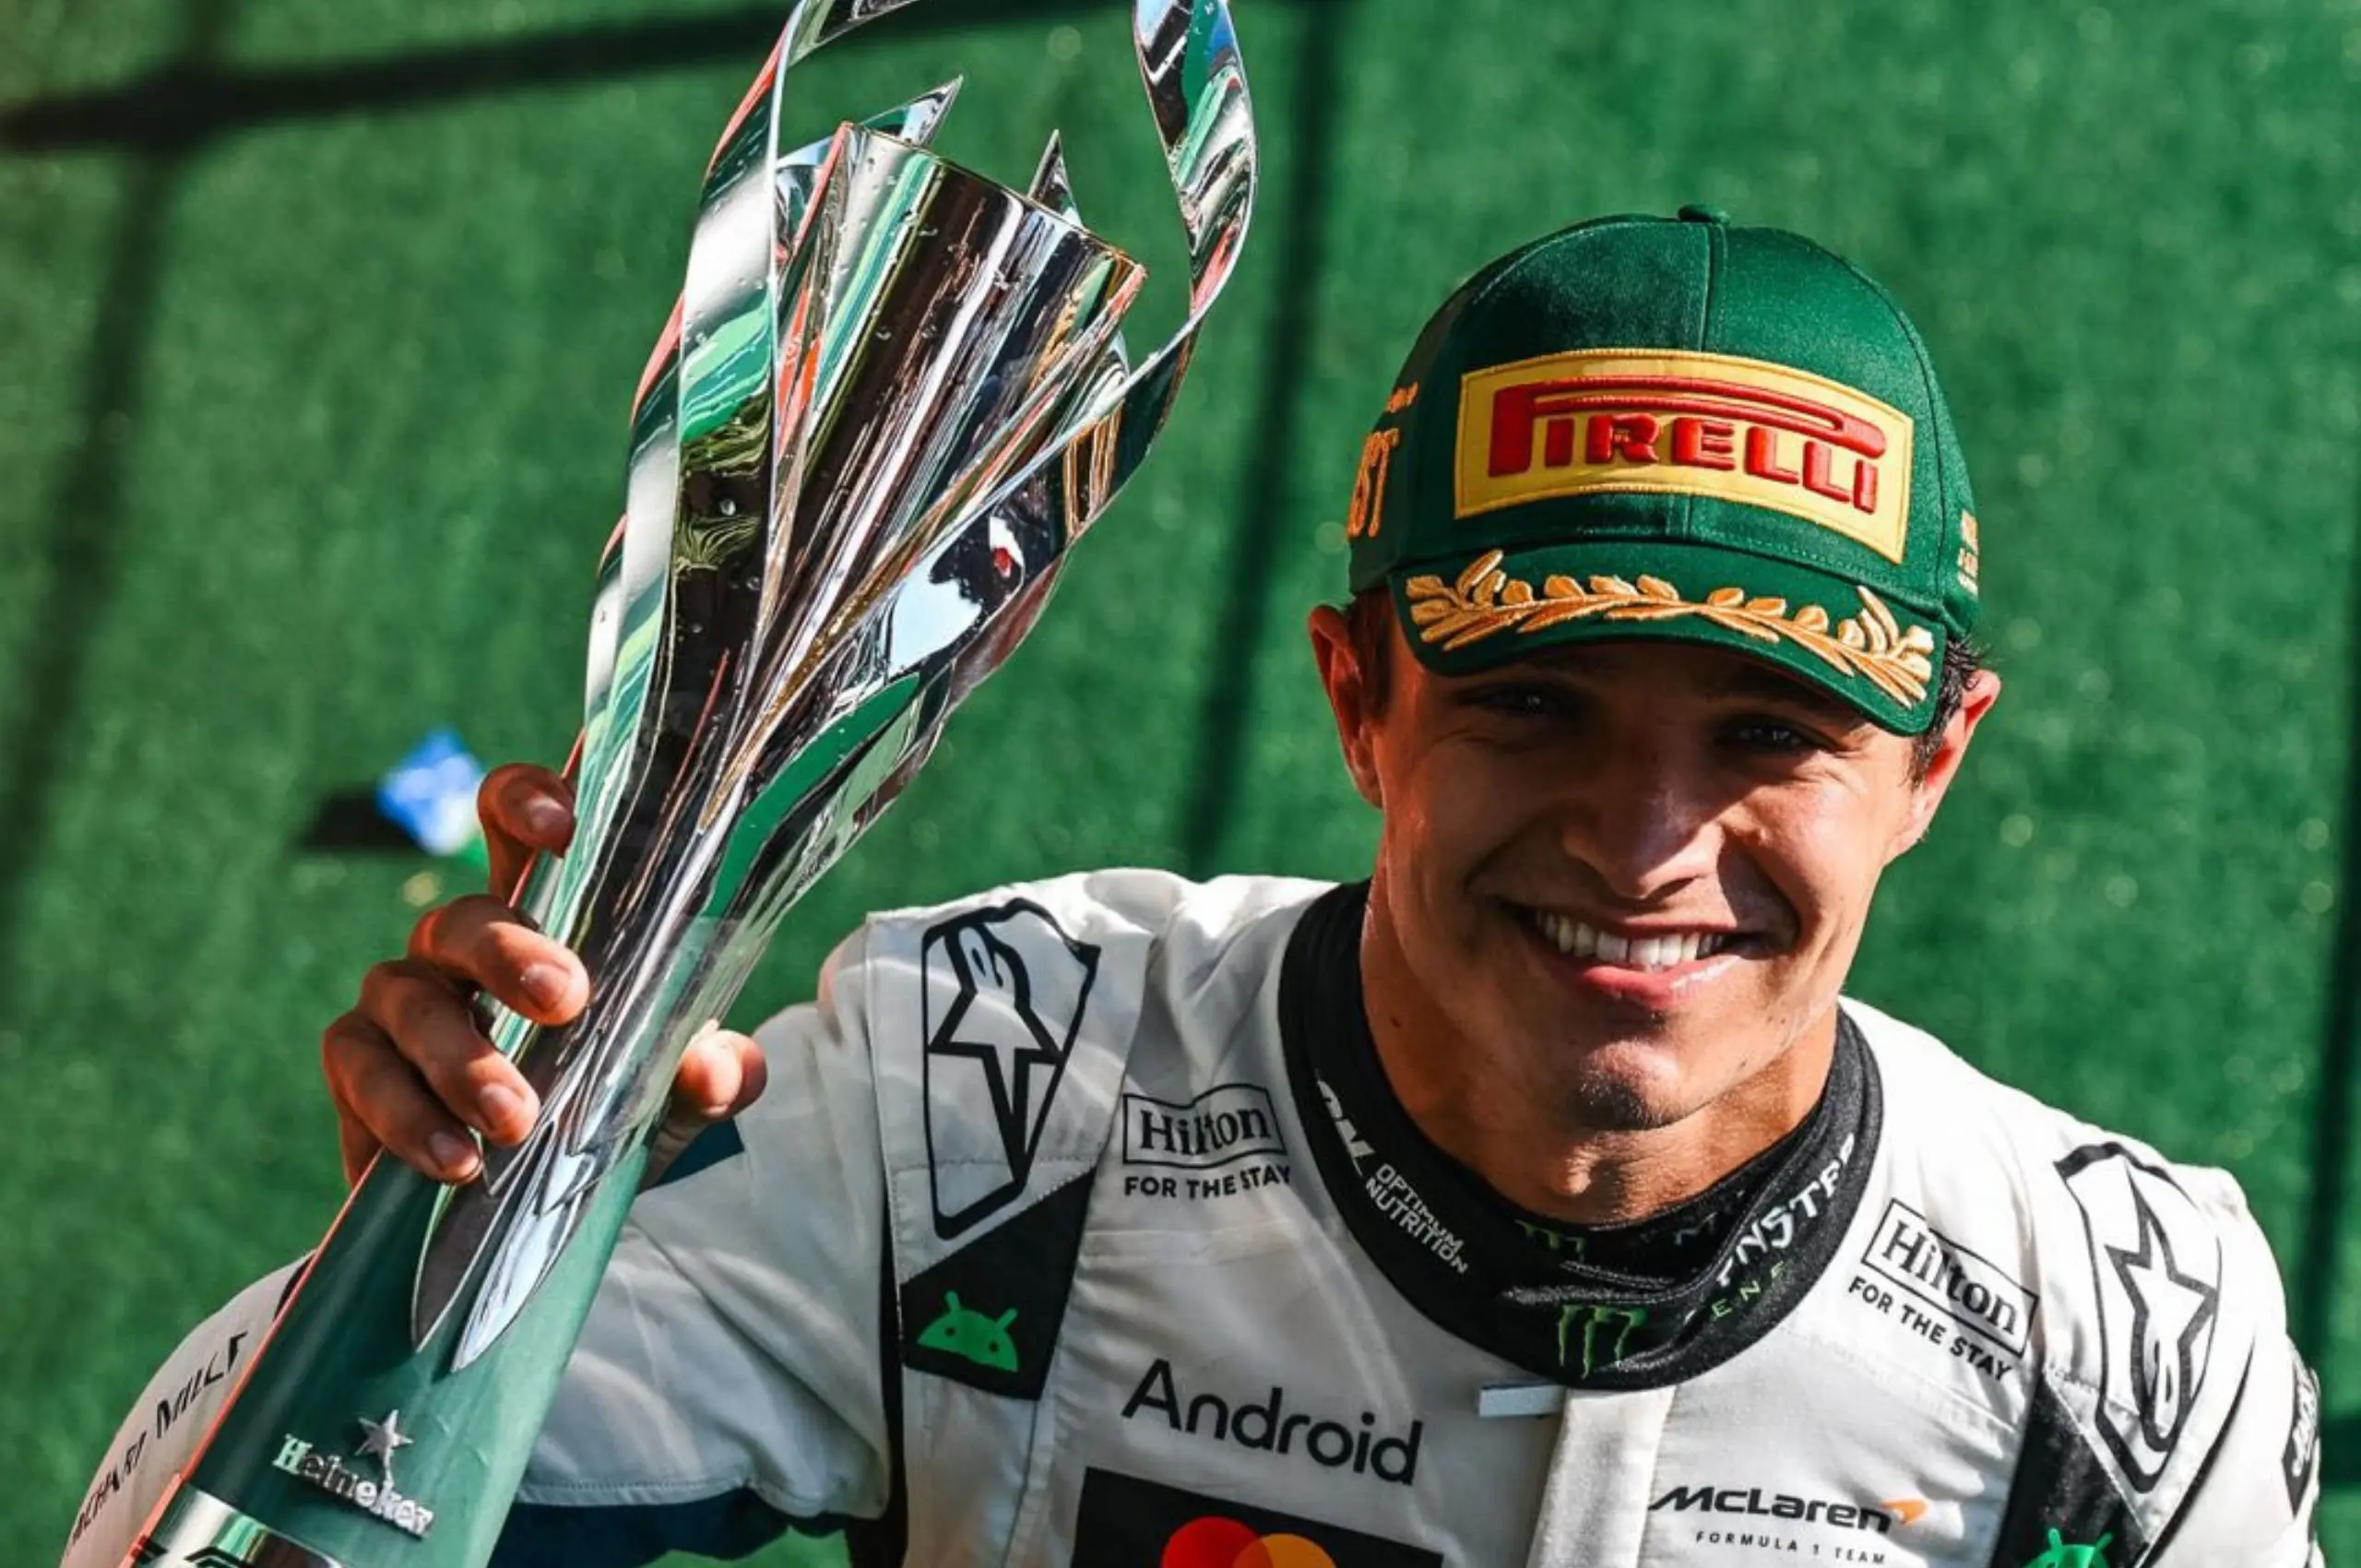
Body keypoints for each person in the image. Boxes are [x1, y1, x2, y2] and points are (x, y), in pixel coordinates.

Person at [65, 210, 2321, 1568]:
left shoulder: (2123, 1338)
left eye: (1765, 736)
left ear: (1931, 765)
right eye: (1535, 704)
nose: (1645, 841)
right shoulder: (989, 1094)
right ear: (1358, 701)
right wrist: (435, 1261)